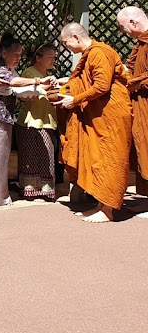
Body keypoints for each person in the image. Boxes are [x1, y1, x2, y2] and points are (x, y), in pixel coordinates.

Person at [55, 23, 132, 223]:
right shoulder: (90, 55)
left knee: (109, 158)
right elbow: (86, 80)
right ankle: (101, 205)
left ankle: (108, 210)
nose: (67, 47)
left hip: (111, 115)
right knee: (98, 159)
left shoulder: (99, 53)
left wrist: (75, 99)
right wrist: (67, 83)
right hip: (98, 116)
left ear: (76, 37)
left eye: (66, 43)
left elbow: (102, 85)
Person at [0, 35, 46, 207]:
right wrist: (37, 81)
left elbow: (15, 89)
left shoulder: (8, 68)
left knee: (0, 158)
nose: (19, 58)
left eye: (20, 54)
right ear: (4, 52)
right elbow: (13, 82)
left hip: (4, 117)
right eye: (16, 54)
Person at [16, 44, 60, 201]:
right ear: (38, 58)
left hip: (46, 120)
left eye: (54, 57)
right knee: (30, 155)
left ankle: (45, 189)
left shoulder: (48, 74)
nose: (53, 60)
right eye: (50, 57)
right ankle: (30, 190)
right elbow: (28, 93)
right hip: (31, 121)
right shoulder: (29, 73)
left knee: (47, 155)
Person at [117, 6, 148, 204]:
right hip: (139, 104)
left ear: (133, 23)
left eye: (122, 27)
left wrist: (134, 82)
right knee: (141, 149)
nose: (122, 32)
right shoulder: (140, 44)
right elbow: (130, 70)